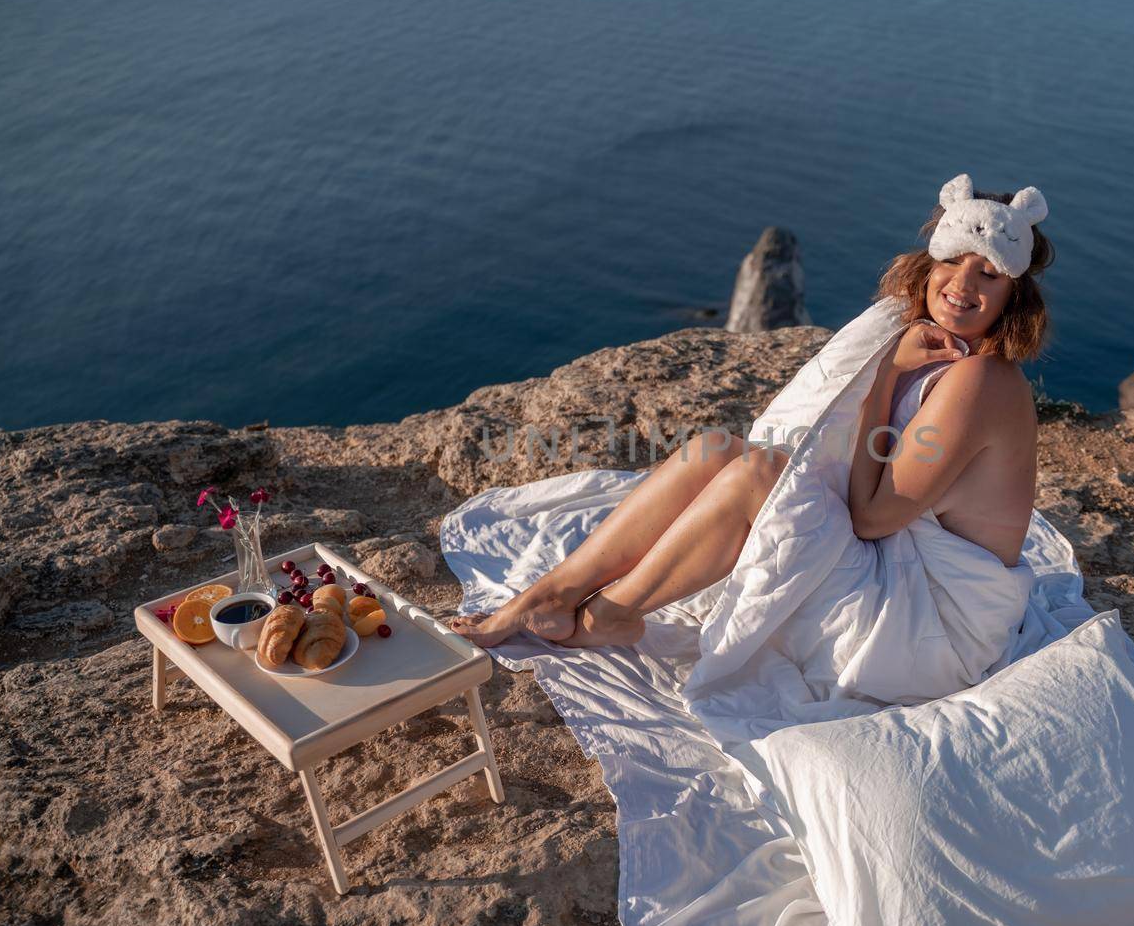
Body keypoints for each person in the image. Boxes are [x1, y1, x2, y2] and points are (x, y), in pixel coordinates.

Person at [448, 177, 1054, 649]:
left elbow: (871, 518)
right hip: (901, 557)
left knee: (758, 476)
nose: (960, 283)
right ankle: (552, 593)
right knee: (717, 449)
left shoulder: (981, 380)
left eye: (989, 272)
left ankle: (611, 615)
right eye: (953, 260)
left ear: (1014, 294)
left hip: (932, 614)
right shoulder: (921, 334)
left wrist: (888, 372)